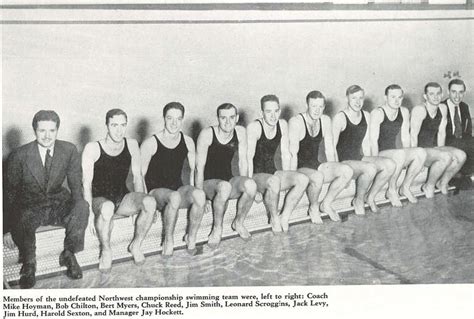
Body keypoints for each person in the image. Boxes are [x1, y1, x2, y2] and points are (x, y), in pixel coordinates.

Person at [4, 110, 89, 289]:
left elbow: (75, 185)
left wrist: (80, 213)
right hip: (31, 206)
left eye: (52, 130)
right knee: (21, 216)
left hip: (58, 204)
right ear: (34, 130)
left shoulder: (68, 150)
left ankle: (69, 253)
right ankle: (29, 264)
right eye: (42, 131)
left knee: (82, 205)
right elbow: (9, 194)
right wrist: (5, 229)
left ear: (57, 130)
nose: (47, 136)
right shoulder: (20, 155)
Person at [82, 109, 156, 273]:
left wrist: (139, 206)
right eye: (114, 125)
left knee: (150, 202)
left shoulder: (131, 144)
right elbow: (86, 184)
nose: (119, 130)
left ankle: (136, 245)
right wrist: (89, 215)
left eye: (123, 125)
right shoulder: (93, 148)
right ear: (106, 125)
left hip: (122, 198)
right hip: (99, 199)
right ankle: (106, 250)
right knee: (107, 208)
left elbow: (137, 177)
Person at [141, 102, 205, 256]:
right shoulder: (151, 143)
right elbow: (140, 176)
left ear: (182, 120)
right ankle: (168, 240)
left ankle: (191, 236)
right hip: (156, 192)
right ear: (164, 118)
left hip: (176, 190)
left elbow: (193, 171)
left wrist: (194, 193)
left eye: (178, 119)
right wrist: (147, 203)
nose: (174, 123)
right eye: (170, 118)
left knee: (200, 195)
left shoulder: (188, 141)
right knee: (174, 196)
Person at [195, 103, 257, 248]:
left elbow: (243, 163)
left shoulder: (240, 132)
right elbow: (199, 168)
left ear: (237, 118)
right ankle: (217, 229)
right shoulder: (207, 134)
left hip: (227, 182)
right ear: (218, 118)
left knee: (251, 184)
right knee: (224, 186)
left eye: (231, 117)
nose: (228, 122)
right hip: (209, 183)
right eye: (223, 118)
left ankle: (239, 222)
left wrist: (247, 188)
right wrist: (201, 197)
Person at [288, 91, 353, 223]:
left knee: (347, 170)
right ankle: (313, 207)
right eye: (314, 106)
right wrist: (293, 179)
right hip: (300, 168)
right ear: (307, 105)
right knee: (317, 177)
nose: (317, 110)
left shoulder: (325, 120)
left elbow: (330, 149)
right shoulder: (297, 122)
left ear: (324, 107)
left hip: (316, 164)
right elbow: (291, 154)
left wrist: (336, 170)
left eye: (320, 107)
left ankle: (326, 204)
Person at [247, 95, 309, 233]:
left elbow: (286, 153)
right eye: (268, 112)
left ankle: (284, 216)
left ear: (279, 111)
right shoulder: (254, 127)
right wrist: (253, 187)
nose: (273, 116)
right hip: (256, 175)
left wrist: (288, 175)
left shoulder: (282, 125)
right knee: (274, 181)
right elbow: (248, 158)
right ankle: (274, 218)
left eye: (276, 111)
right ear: (261, 113)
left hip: (272, 173)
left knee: (302, 179)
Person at [333, 85, 396, 214]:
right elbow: (331, 146)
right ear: (347, 99)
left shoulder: (366, 115)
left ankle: (370, 196)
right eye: (354, 98)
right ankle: (358, 200)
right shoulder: (340, 117)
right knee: (370, 168)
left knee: (389, 164)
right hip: (343, 161)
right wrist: (340, 172)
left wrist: (372, 161)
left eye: (361, 98)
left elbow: (366, 143)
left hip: (358, 158)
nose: (358, 102)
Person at [370, 84, 427, 205]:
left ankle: (405, 187)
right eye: (393, 97)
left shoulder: (404, 111)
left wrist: (411, 158)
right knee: (400, 153)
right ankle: (391, 189)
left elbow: (406, 137)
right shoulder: (378, 113)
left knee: (420, 151)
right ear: (385, 98)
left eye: (400, 97)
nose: (397, 101)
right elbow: (372, 141)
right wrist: (376, 164)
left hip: (394, 153)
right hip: (379, 153)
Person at [410, 82, 466, 197]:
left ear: (442, 95)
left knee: (461, 155)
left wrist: (442, 151)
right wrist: (416, 161)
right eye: (431, 94)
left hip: (433, 149)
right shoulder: (419, 110)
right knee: (445, 157)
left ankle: (442, 183)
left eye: (438, 93)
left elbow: (441, 134)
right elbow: (413, 136)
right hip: (421, 150)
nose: (436, 97)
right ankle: (429, 186)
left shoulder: (443, 108)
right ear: (425, 96)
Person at [441, 79, 473, 180]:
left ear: (464, 93)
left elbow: (467, 131)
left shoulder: (464, 106)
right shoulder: (441, 106)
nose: (457, 96)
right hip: (446, 141)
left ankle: (468, 175)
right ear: (448, 92)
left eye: (460, 92)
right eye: (454, 92)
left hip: (462, 141)